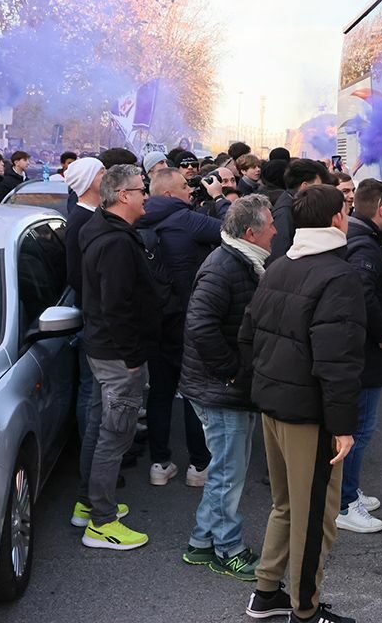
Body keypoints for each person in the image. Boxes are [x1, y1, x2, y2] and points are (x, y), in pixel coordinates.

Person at [239, 184, 365, 623]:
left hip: (273, 405)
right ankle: (306, 611)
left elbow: (247, 336)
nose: (347, 217)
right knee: (316, 516)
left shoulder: (278, 265)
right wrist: (344, 426)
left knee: (286, 506)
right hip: (308, 416)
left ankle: (267, 592)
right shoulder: (338, 275)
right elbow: (338, 361)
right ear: (335, 220)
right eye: (346, 211)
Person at [179, 195, 275, 581]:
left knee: (225, 470)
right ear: (251, 232)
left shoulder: (240, 261)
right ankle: (228, 550)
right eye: (270, 225)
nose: (275, 231)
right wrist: (232, 373)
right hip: (220, 390)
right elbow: (199, 326)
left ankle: (201, 544)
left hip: (221, 387)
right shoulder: (225, 267)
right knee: (227, 475)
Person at [75, 164, 158, 550]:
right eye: (141, 189)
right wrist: (132, 357)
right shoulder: (117, 243)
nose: (146, 195)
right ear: (123, 196)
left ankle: (88, 504)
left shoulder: (103, 229)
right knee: (114, 434)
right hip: (116, 354)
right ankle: (101, 522)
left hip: (102, 348)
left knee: (99, 426)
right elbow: (117, 306)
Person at [137, 168, 219, 487]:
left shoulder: (139, 218)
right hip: (187, 318)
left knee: (159, 392)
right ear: (169, 194)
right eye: (185, 186)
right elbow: (233, 229)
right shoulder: (186, 219)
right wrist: (218, 199)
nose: (190, 190)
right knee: (192, 393)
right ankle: (198, 466)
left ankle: (160, 463)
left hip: (155, 320)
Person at [336, 179, 382, 535]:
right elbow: (362, 293)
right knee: (360, 429)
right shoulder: (365, 247)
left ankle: (350, 489)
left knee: (359, 428)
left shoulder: (358, 237)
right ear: (381, 209)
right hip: (364, 358)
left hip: (359, 356)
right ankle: (345, 503)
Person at [64, 157, 106, 440]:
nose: (107, 176)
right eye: (102, 172)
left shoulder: (94, 214)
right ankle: (88, 450)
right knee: (90, 390)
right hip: (92, 315)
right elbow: (76, 275)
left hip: (95, 312)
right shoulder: (81, 220)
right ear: (90, 180)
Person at [269, 159, 331, 263]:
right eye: (319, 186)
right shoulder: (285, 214)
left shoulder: (296, 206)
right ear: (304, 187)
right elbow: (278, 257)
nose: (322, 191)